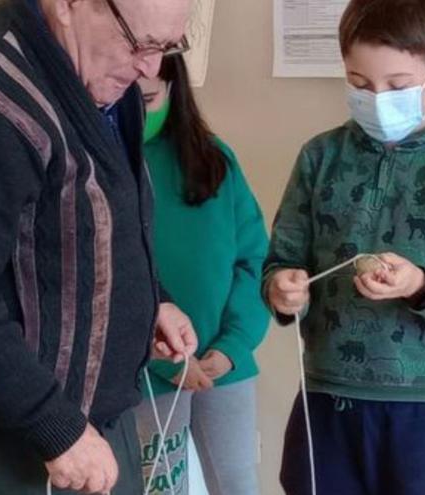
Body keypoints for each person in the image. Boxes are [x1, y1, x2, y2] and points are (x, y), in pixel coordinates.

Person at [0, 0, 200, 493]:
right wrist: (57, 429)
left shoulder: (106, 76)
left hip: (81, 425)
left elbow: (92, 220)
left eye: (167, 45)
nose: (151, 67)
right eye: (140, 42)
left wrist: (152, 299)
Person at [264, 1, 425, 493]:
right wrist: (280, 288)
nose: (377, 98)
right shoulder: (320, 157)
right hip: (325, 404)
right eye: (359, 84)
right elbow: (282, 261)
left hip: (424, 415)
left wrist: (420, 285)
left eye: (397, 86)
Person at [133, 55, 270, 495]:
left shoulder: (215, 161)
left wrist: (232, 346)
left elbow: (253, 263)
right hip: (144, 372)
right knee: (157, 488)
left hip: (222, 364)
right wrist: (160, 358)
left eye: (148, 98)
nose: (134, 112)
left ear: (174, 89)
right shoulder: (99, 170)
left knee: (237, 484)